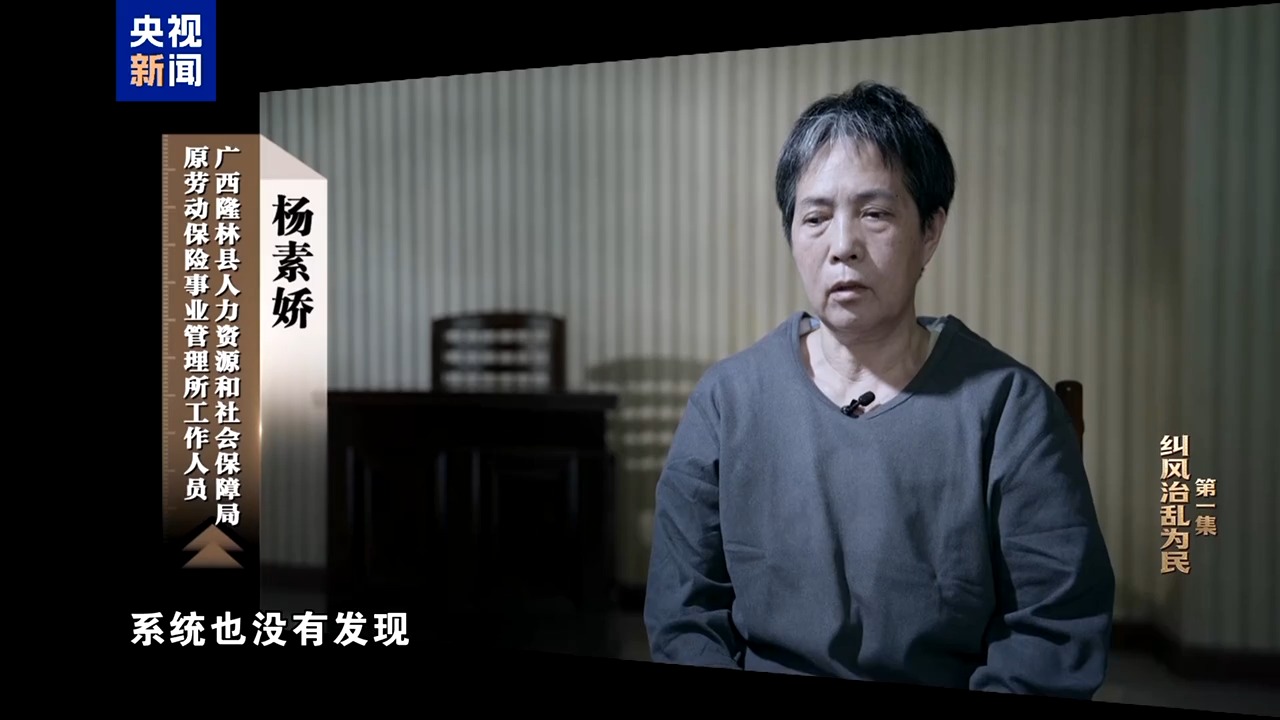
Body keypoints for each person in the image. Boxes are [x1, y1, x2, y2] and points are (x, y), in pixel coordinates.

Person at [643, 81, 1115, 699]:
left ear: (930, 232)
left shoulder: (1010, 409)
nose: (843, 247)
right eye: (815, 218)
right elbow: (683, 614)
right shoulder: (726, 401)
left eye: (875, 214)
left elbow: (1053, 632)